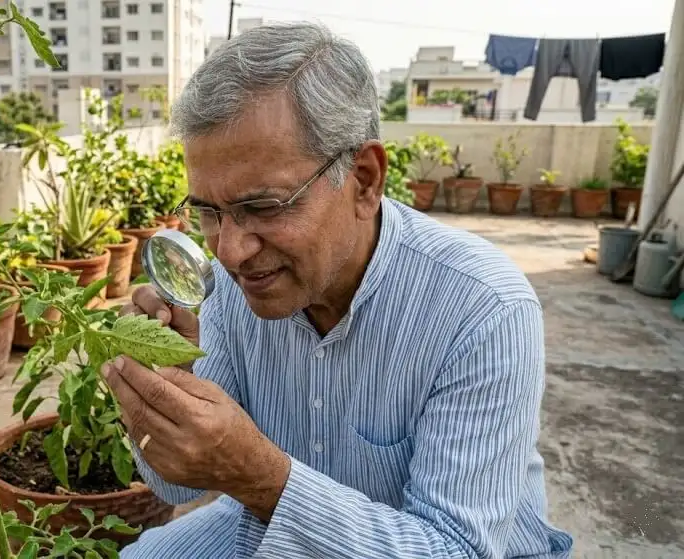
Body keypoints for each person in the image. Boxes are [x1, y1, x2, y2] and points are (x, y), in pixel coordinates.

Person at [99, 21, 575, 559]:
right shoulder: (232, 292)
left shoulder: (481, 308)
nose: (230, 252)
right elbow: (177, 487)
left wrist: (262, 479)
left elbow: (454, 548)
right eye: (209, 212)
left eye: (265, 206)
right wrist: (169, 394)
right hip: (273, 522)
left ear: (365, 179)